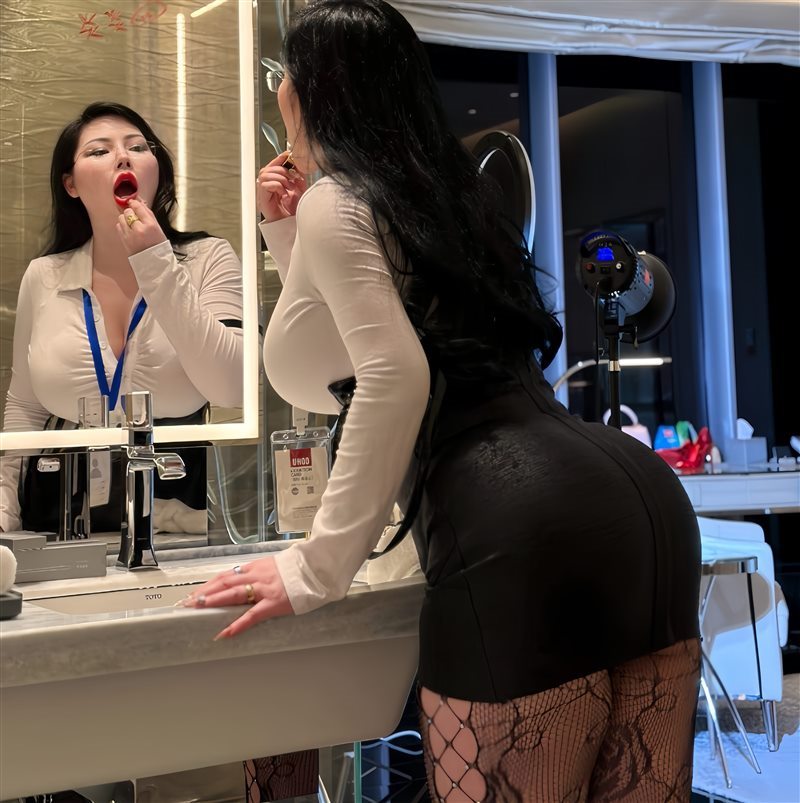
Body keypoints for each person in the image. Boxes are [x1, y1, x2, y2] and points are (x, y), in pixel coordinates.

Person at [185, 2, 702, 800]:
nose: (279, 88)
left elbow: (394, 375)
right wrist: (284, 232)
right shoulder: (448, 199)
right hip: (640, 506)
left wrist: (314, 567)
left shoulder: (339, 201)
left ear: (310, 90)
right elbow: (346, 339)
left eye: (286, 73)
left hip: (513, 521)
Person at [0, 101, 243, 535]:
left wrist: (157, 263)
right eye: (99, 151)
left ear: (156, 172)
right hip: (59, 512)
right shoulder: (44, 275)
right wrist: (4, 513)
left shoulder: (209, 258)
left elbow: (232, 385)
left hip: (178, 509)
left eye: (138, 147)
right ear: (71, 184)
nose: (123, 156)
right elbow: (25, 407)